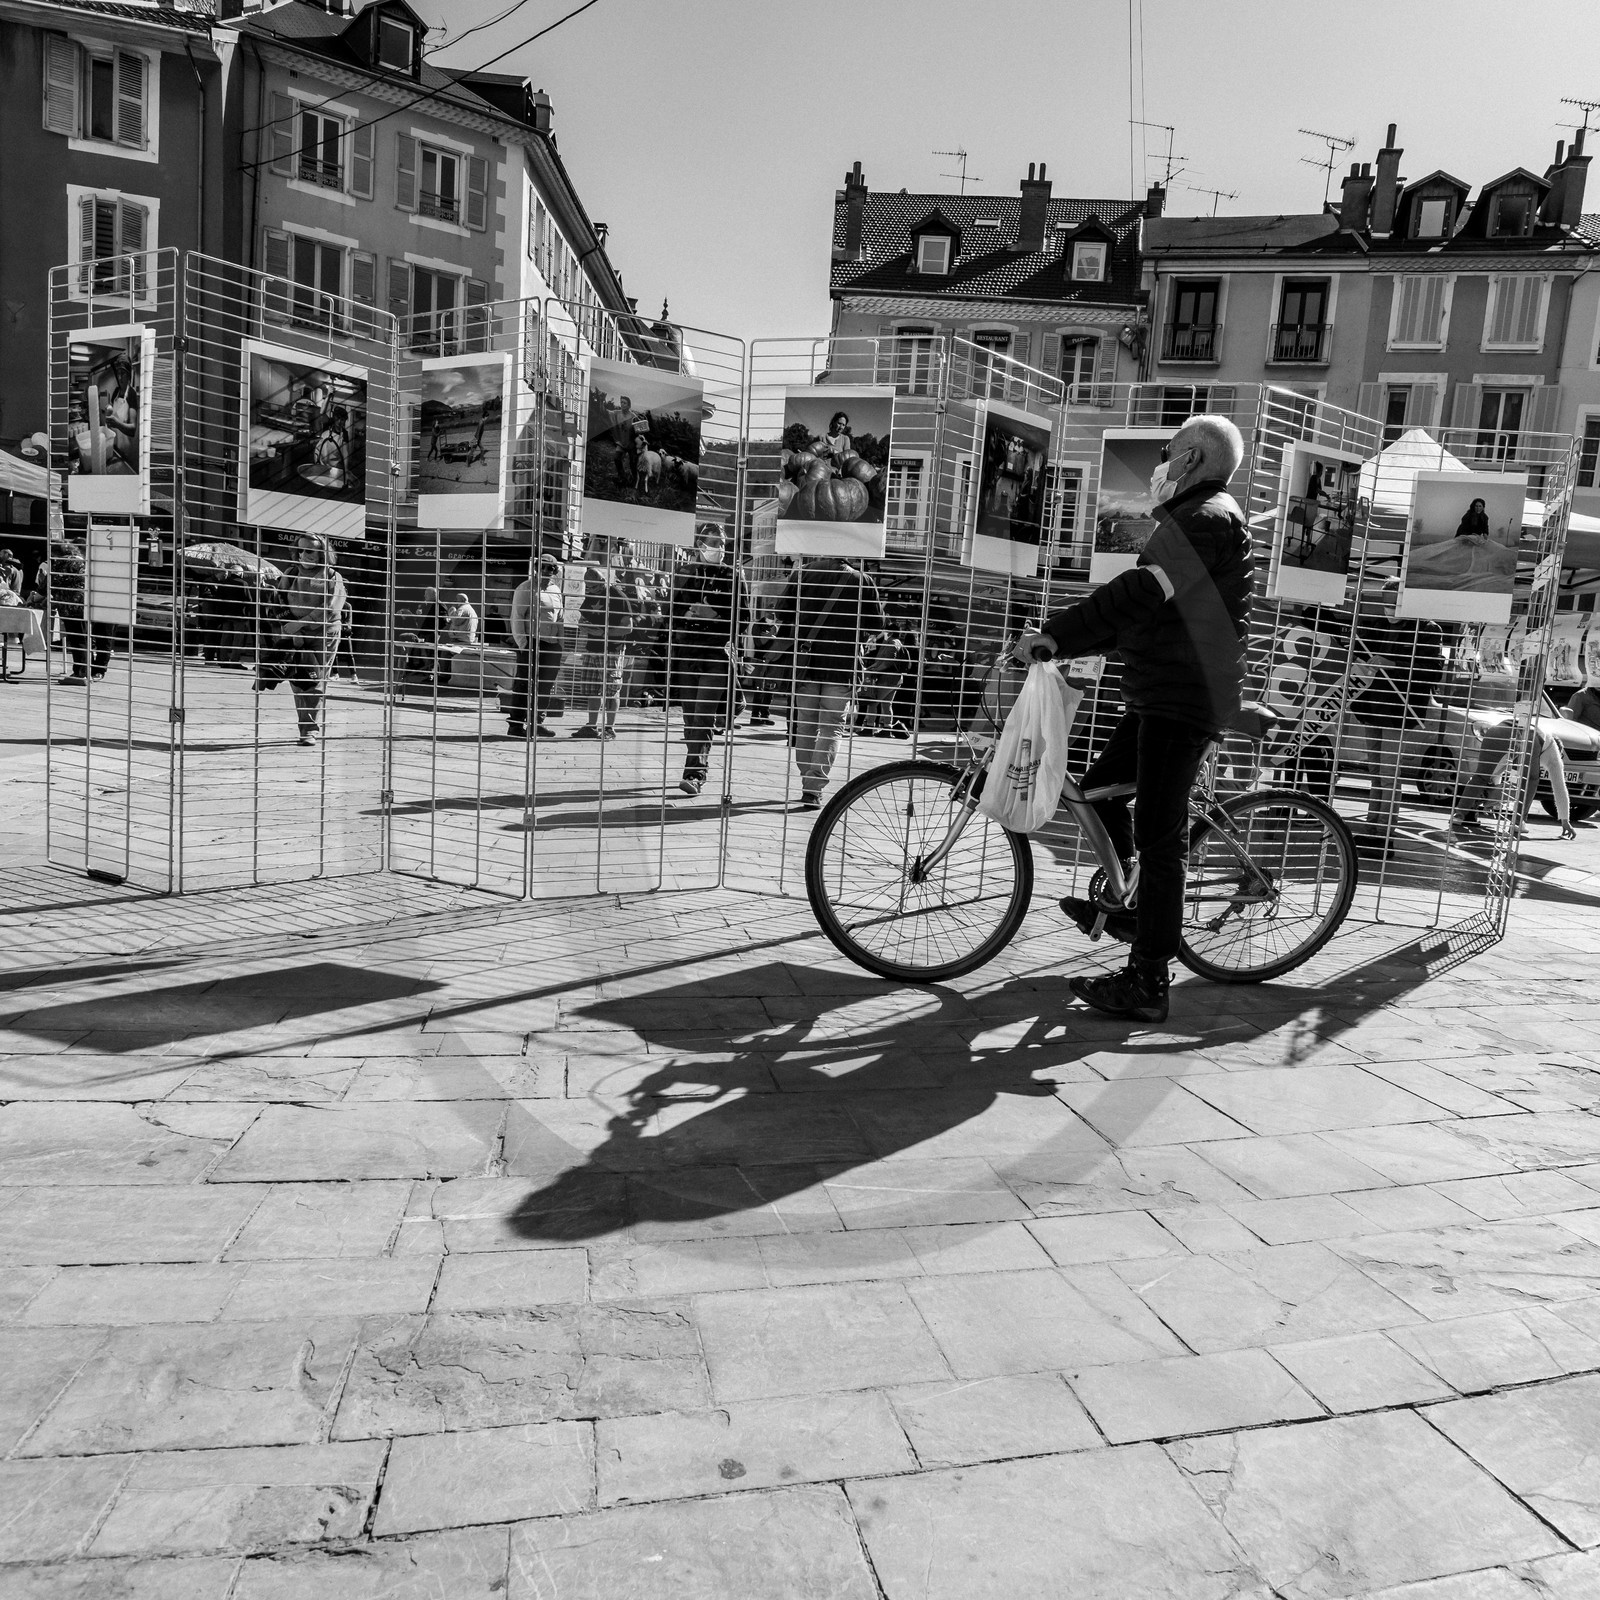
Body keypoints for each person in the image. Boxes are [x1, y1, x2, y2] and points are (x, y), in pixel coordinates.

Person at [1014, 414, 1254, 1025]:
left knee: (1158, 834)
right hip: (1162, 689)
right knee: (1098, 793)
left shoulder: (1206, 519)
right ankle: (1131, 907)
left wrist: (1058, 635)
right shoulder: (1193, 516)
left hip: (1185, 698)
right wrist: (1073, 644)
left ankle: (1149, 979)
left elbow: (1140, 593)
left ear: (1192, 459)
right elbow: (1148, 615)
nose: (1160, 464)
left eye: (1168, 452)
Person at [773, 554, 885, 808]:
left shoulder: (802, 574)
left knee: (805, 724)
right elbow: (876, 624)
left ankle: (807, 780)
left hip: (806, 663)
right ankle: (813, 787)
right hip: (842, 665)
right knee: (832, 726)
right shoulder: (862, 580)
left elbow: (782, 612)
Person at [1349, 589, 1446, 850]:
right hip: (1370, 707)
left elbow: (1433, 671)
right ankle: (1371, 827)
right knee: (1375, 771)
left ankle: (1383, 834)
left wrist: (1392, 664)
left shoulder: (1426, 629)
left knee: (1388, 773)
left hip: (1399, 710)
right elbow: (1357, 652)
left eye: (1394, 605)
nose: (1389, 611)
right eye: (1386, 605)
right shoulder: (1377, 625)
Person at [668, 524, 747, 795]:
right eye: (715, 543)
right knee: (691, 718)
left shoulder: (732, 576)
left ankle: (695, 774)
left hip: (716, 654)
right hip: (688, 652)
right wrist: (684, 617)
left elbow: (743, 618)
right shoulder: (685, 573)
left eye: (723, 543)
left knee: (702, 715)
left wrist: (714, 616)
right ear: (701, 545)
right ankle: (696, 763)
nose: (720, 548)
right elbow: (670, 612)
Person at [273, 534, 347, 745]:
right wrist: (290, 628)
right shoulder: (290, 574)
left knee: (315, 679)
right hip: (294, 632)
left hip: (324, 633)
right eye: (301, 550)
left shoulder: (332, 576)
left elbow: (331, 608)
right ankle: (305, 726)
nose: (304, 554)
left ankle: (309, 730)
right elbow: (278, 602)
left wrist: (301, 623)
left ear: (322, 554)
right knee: (298, 681)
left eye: (310, 550)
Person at [572, 537, 632, 739]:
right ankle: (591, 726)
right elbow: (582, 618)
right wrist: (585, 626)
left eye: (594, 587)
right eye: (587, 587)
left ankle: (609, 728)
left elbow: (628, 627)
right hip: (592, 648)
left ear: (602, 581)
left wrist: (604, 633)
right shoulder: (591, 594)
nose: (590, 591)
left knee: (611, 689)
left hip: (612, 649)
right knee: (591, 688)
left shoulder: (618, 597)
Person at [506, 557, 565, 739]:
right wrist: (523, 645)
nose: (547, 571)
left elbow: (560, 619)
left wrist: (561, 645)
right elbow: (517, 617)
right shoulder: (525, 588)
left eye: (551, 568)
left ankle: (537, 723)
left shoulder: (556, 590)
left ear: (555, 571)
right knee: (524, 684)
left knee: (546, 686)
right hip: (532, 642)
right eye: (543, 567)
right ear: (536, 568)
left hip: (552, 644)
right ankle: (516, 724)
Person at [49, 540, 110, 683]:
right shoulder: (85, 563)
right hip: (89, 605)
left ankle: (81, 671)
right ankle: (90, 670)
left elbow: (49, 582)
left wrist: (37, 597)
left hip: (72, 607)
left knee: (78, 640)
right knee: (87, 639)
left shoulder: (62, 563)